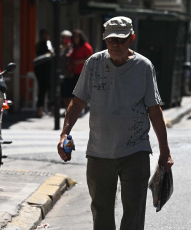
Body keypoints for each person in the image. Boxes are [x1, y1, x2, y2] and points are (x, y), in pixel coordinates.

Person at [57, 16, 174, 230]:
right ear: (104, 39)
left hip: (135, 151)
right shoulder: (93, 64)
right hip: (99, 153)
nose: (116, 45)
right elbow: (77, 101)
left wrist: (164, 153)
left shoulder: (144, 67)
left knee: (134, 211)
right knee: (101, 211)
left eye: (121, 40)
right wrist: (64, 134)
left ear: (132, 38)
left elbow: (154, 111)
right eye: (112, 40)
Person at [61, 29, 93, 110]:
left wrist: (79, 61)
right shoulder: (74, 47)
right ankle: (72, 108)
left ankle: (78, 109)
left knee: (78, 93)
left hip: (82, 72)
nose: (75, 39)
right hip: (73, 72)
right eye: (74, 37)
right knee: (68, 92)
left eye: (77, 37)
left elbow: (91, 58)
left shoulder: (86, 46)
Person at [34, 29, 54, 118]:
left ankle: (40, 110)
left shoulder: (38, 44)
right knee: (49, 88)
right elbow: (51, 53)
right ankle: (52, 109)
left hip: (38, 69)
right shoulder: (47, 43)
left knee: (41, 90)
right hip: (46, 69)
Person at [59, 30, 73, 109]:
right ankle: (69, 109)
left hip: (70, 74)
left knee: (70, 94)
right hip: (62, 73)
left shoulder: (72, 48)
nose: (64, 39)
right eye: (63, 38)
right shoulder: (60, 48)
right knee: (63, 94)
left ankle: (71, 110)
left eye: (66, 38)